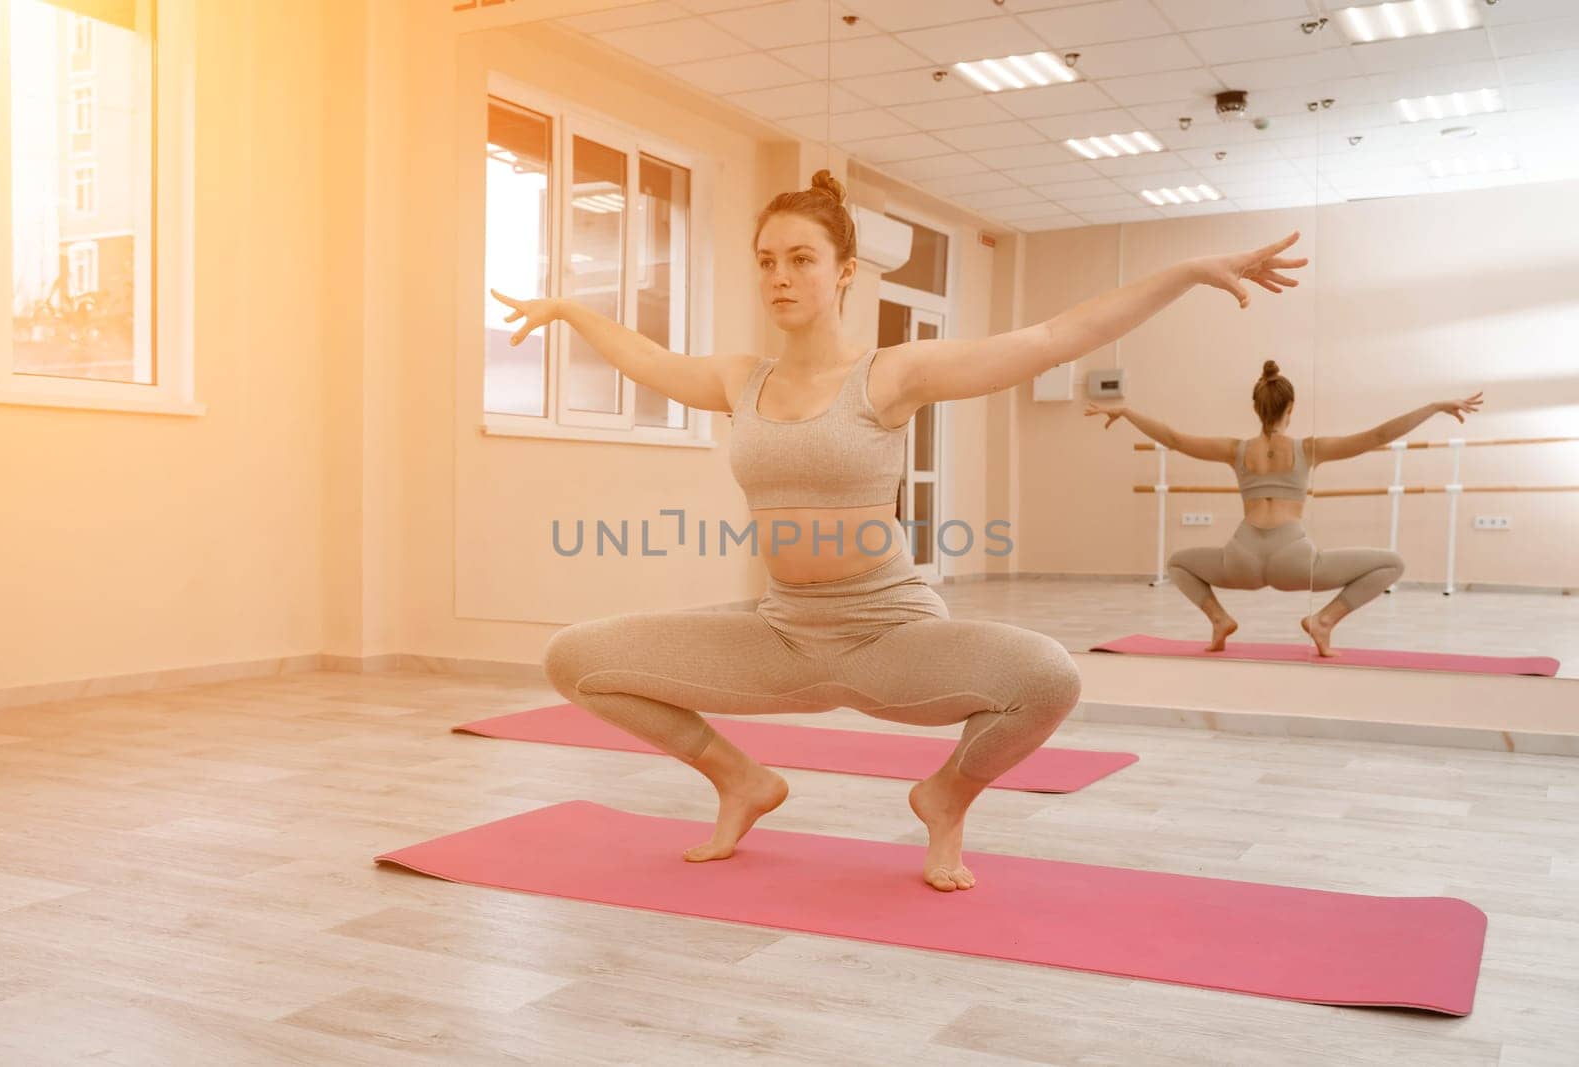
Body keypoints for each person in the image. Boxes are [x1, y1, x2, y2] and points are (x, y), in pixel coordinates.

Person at [495, 169, 1307, 891]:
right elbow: (643, 356)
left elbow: (1052, 339)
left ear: (845, 272)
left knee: (1048, 678)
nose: (780, 275)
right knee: (576, 659)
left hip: (889, 634)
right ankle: (742, 780)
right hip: (781, 635)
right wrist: (568, 307)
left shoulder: (890, 375)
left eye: (801, 258)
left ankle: (946, 794)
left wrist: (1190, 272)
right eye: (767, 260)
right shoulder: (739, 378)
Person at [1086, 364, 1482, 655]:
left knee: (1177, 562)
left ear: (1256, 408)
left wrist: (1127, 411)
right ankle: (1323, 621)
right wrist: (1432, 406)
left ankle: (1220, 619)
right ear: (1290, 406)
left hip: (1240, 556)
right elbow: (1377, 436)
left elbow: (1173, 438)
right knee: (1391, 563)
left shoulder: (1235, 450)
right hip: (1294, 559)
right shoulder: (1307, 449)